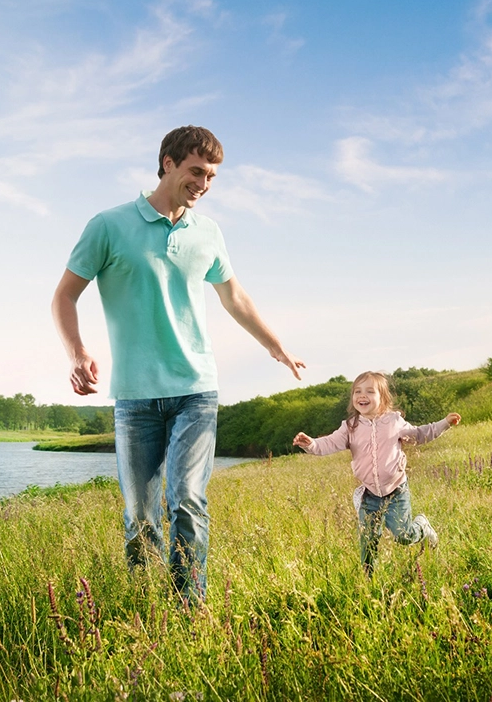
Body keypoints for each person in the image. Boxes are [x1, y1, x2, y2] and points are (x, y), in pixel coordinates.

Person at [52, 125, 305, 601]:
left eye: (211, 176)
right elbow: (64, 296)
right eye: (196, 171)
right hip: (134, 396)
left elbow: (235, 298)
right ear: (167, 162)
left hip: (196, 389)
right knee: (141, 516)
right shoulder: (108, 225)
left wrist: (276, 346)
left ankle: (189, 610)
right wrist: (78, 353)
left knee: (186, 499)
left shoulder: (207, 232)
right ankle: (150, 609)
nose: (204, 184)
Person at [292, 371, 461, 574]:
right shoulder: (350, 427)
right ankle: (368, 578)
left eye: (370, 391)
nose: (362, 396)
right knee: (368, 538)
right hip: (369, 494)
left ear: (383, 398)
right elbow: (328, 443)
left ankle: (422, 527)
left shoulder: (393, 422)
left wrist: (444, 424)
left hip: (396, 490)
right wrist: (311, 444)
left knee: (403, 535)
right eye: (357, 391)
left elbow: (419, 434)